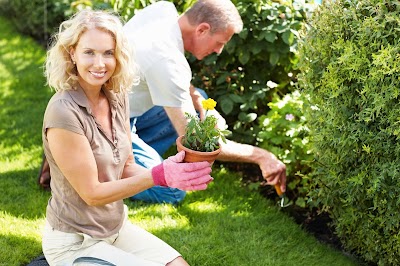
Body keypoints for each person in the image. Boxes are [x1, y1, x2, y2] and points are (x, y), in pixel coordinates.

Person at [41, 9, 212, 265]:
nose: (100, 63)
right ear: (72, 54)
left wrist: (172, 175)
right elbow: (92, 194)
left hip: (116, 229)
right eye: (89, 52)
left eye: (108, 53)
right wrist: (158, 175)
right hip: (75, 242)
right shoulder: (63, 112)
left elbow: (127, 167)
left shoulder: (116, 97)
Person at [122, 0, 287, 204]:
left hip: (125, 109)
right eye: (220, 42)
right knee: (171, 191)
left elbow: (175, 82)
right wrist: (261, 156)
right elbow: (198, 146)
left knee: (196, 94)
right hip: (106, 125)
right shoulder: (166, 61)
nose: (219, 51)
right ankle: (107, 169)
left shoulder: (163, 12)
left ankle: (130, 154)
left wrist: (201, 103)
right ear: (202, 29)